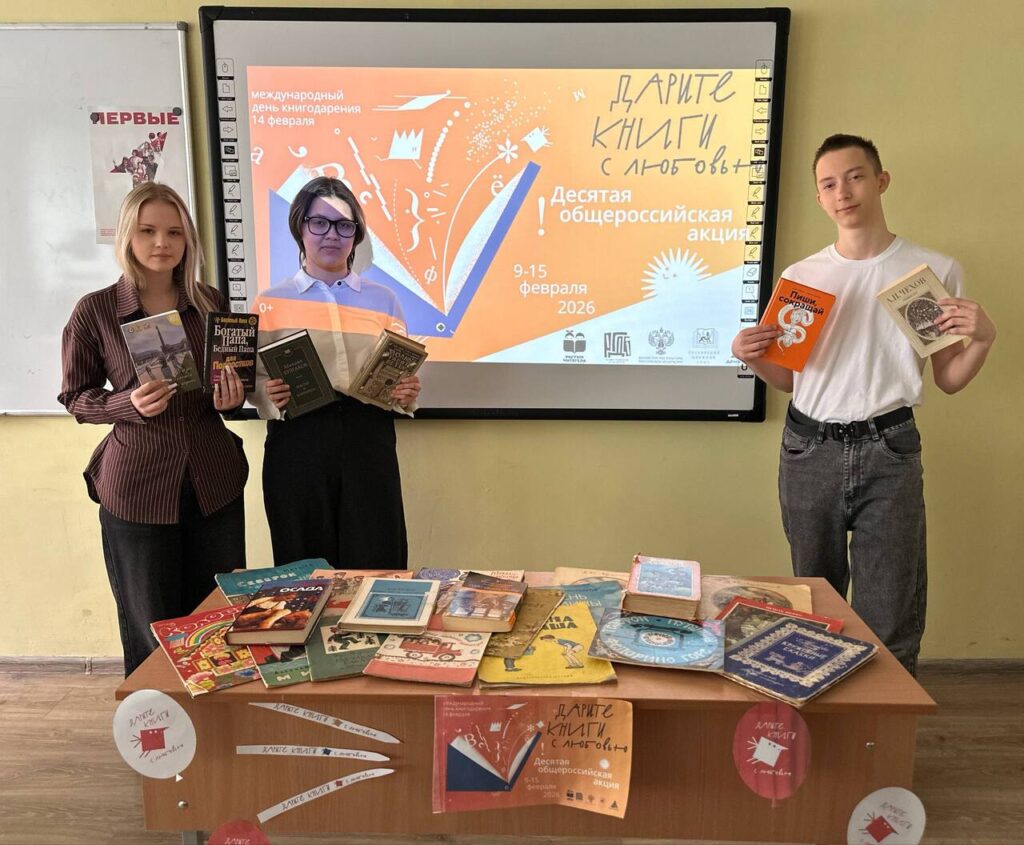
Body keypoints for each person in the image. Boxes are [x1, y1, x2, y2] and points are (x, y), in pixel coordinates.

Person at [731, 134, 996, 675]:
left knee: (891, 612)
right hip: (808, 447)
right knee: (814, 605)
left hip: (890, 449)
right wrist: (749, 357)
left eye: (854, 177)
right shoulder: (802, 277)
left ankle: (883, 728)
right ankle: (820, 717)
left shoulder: (931, 271)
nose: (843, 192)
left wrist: (984, 339)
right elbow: (787, 380)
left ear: (881, 180)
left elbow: (948, 379)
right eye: (828, 184)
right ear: (819, 198)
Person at [59, 182, 248, 676]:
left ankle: (215, 723)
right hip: (138, 489)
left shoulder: (210, 302)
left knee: (218, 624)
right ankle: (157, 723)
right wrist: (128, 403)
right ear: (127, 235)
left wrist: (233, 399)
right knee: (152, 631)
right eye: (147, 231)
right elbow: (76, 398)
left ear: (188, 239)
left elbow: (229, 384)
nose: (162, 242)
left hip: (215, 483)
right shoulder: (96, 310)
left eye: (174, 232)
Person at [253, 176, 421, 569]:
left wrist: (407, 392)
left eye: (344, 225)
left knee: (377, 559)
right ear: (300, 227)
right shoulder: (269, 303)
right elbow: (252, 380)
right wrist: (267, 395)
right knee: (304, 565)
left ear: (356, 234)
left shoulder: (384, 300)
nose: (332, 234)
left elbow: (398, 372)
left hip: (369, 439)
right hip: (298, 440)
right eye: (319, 222)